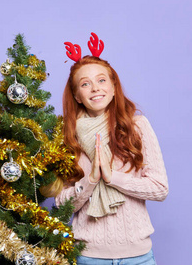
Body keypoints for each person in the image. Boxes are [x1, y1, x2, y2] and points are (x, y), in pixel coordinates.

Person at [54, 33, 168, 265]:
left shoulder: (137, 126)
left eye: (102, 80)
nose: (95, 88)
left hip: (138, 257)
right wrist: (91, 180)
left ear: (114, 87)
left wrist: (113, 178)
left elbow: (159, 188)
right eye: (85, 84)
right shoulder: (67, 136)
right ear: (77, 95)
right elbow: (62, 206)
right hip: (88, 256)